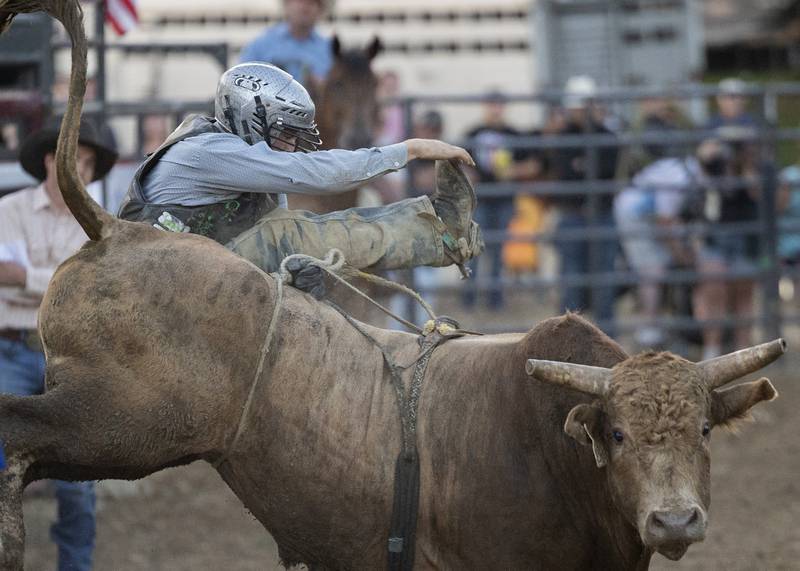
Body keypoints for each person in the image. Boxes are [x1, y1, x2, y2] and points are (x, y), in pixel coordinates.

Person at [118, 62, 483, 283]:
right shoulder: (207, 151)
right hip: (157, 274)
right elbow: (315, 174)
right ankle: (438, 232)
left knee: (290, 234)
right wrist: (409, 149)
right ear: (251, 119)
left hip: (179, 269)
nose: (292, 146)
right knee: (289, 233)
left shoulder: (233, 157)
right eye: (286, 133)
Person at [0, 119, 117, 571]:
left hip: (68, 360)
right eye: (74, 157)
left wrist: (25, 278)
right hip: (10, 349)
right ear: (51, 158)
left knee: (78, 487)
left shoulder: (99, 227)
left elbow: (90, 292)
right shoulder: (10, 210)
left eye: (89, 163)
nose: (81, 169)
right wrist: (60, 278)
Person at [613, 139, 729, 349]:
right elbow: (664, 221)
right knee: (653, 271)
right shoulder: (681, 178)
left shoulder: (687, 172)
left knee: (659, 269)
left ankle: (655, 328)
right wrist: (680, 254)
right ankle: (648, 332)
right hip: (635, 217)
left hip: (644, 218)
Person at [551, 75, 620, 332]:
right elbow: (568, 172)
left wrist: (583, 165)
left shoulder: (606, 137)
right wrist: (588, 166)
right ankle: (568, 340)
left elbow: (606, 170)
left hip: (600, 214)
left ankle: (606, 337)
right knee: (572, 280)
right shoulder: (564, 138)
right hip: (573, 215)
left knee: (604, 280)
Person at [461, 90, 519, 309]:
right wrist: (469, 175)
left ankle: (494, 298)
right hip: (480, 199)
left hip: (503, 199)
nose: (495, 110)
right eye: (491, 105)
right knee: (474, 247)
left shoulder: (513, 133)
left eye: (499, 105)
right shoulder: (473, 132)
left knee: (497, 251)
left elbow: (532, 162)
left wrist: (513, 171)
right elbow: (459, 163)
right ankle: (469, 296)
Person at [240, 0, 333, 88]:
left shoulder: (329, 50)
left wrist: (322, 88)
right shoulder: (260, 45)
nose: (305, 7)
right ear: (286, 4)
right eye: (300, 1)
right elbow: (241, 82)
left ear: (321, 10)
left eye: (312, 2)